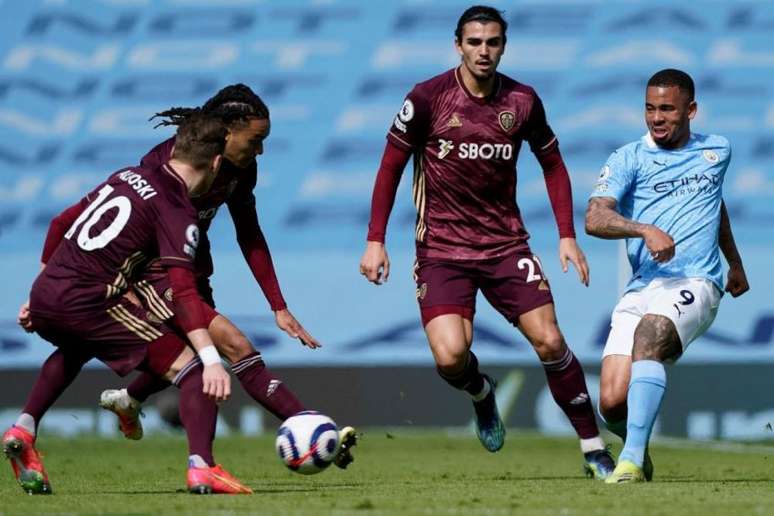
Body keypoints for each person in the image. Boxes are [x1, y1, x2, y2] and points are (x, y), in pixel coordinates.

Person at [38, 84, 357, 467]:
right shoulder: (166, 162)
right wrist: (129, 289)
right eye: (256, 140)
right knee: (234, 345)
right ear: (227, 131)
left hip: (191, 266)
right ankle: (310, 430)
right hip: (159, 271)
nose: (260, 151)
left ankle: (130, 400)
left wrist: (278, 305)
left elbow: (249, 232)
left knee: (185, 351)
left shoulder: (241, 170)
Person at [359, 5, 614, 478]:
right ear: (458, 45)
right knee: (452, 356)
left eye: (492, 42)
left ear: (503, 46)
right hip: (441, 252)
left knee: (551, 340)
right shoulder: (428, 97)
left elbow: (553, 164)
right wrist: (376, 240)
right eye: (474, 42)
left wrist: (565, 236)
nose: (484, 51)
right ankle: (481, 392)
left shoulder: (522, 101)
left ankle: (593, 449)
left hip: (505, 247)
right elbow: (390, 166)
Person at [7, 114, 252, 495]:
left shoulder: (127, 176)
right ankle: (202, 467)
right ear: (216, 162)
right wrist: (209, 359)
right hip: (90, 301)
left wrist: (37, 291)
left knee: (75, 347)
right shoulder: (177, 210)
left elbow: (60, 223)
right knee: (190, 370)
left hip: (47, 291)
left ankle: (24, 427)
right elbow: (184, 291)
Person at [585, 68, 750, 483]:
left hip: (697, 281)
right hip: (643, 284)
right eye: (649, 108)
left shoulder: (717, 150)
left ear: (690, 110)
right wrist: (643, 228)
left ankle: (631, 462)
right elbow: (594, 217)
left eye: (667, 109)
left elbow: (715, 205)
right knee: (610, 403)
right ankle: (633, 443)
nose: (656, 118)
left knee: (651, 335)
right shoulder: (628, 158)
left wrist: (734, 263)